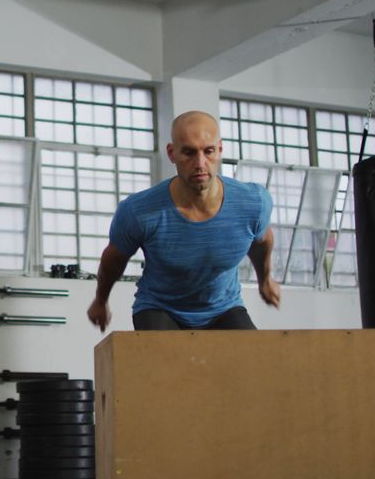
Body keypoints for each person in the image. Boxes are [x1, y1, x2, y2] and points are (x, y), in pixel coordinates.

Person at [87, 110, 280, 332]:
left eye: (208, 151)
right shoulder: (139, 211)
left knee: (257, 360)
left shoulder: (253, 203)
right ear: (172, 153)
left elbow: (262, 241)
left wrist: (265, 280)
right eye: (188, 152)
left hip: (224, 308)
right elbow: (114, 258)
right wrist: (101, 300)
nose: (200, 163)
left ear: (220, 150)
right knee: (172, 365)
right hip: (160, 308)